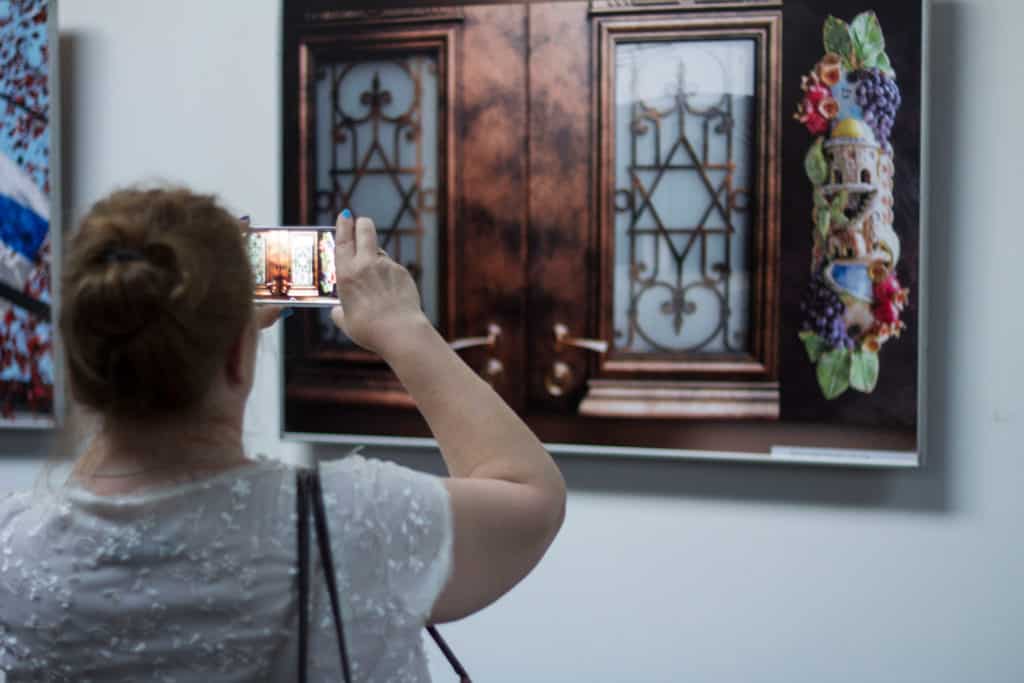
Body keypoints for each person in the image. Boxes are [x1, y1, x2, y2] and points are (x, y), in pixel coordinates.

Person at [0, 188, 566, 681]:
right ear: (235, 359)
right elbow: (531, 495)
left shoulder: (17, 552)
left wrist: (182, 348)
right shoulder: (351, 524)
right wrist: (403, 327)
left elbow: (101, 488)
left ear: (80, 366)